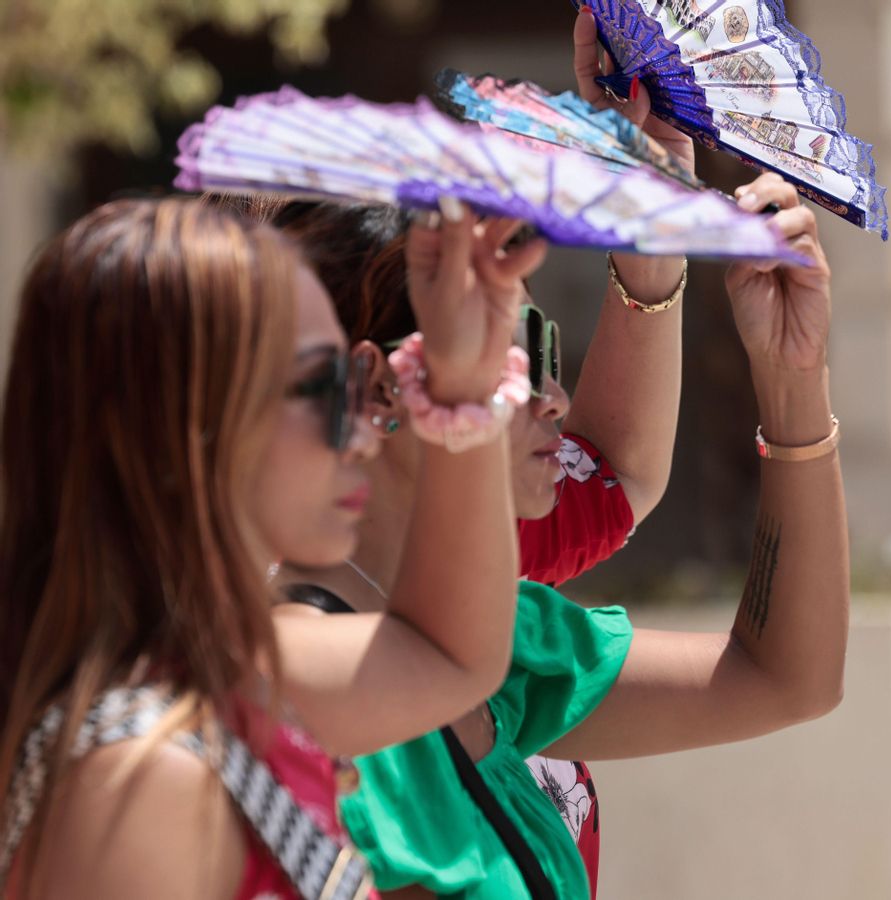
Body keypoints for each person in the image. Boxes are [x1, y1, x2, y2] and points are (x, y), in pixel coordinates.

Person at [263, 165, 846, 900]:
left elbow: (784, 680)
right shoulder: (289, 679)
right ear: (380, 386)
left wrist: (792, 375)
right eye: (514, 353)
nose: (555, 397)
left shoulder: (488, 636)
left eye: (544, 348)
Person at [0, 197, 542, 898]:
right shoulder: (140, 782)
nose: (364, 431)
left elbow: (453, 655)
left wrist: (464, 382)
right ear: (191, 422)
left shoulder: (217, 668)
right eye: (325, 387)